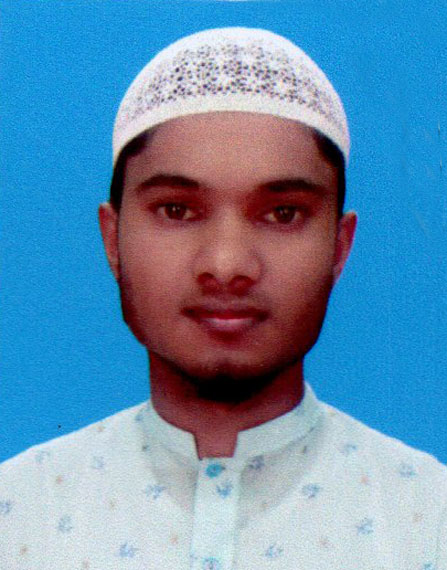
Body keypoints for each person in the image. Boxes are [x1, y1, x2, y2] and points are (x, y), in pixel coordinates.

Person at [1, 26, 445, 570]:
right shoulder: (18, 515)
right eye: (177, 210)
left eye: (282, 214)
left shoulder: (428, 519)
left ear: (339, 247)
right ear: (113, 240)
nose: (227, 266)